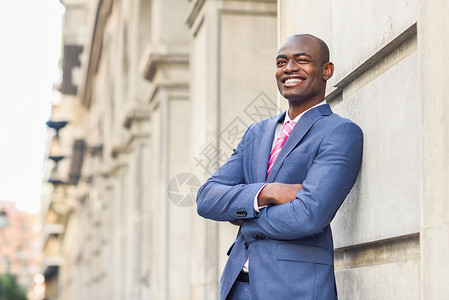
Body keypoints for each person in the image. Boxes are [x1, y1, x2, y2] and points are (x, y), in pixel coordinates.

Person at [196, 34, 363, 300]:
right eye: (281, 62)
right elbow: (206, 197)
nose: (288, 68)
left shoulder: (339, 132)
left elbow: (309, 215)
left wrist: (244, 219)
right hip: (237, 286)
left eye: (302, 60)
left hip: (296, 288)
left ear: (326, 71)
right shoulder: (256, 133)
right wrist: (266, 193)